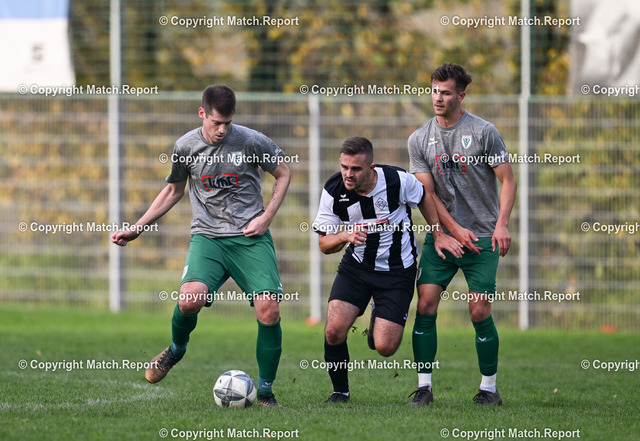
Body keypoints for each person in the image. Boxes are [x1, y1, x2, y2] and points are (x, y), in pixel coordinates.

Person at [110, 84, 291, 408]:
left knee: (269, 309)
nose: (222, 130)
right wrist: (137, 227)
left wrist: (266, 217)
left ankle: (265, 393)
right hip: (208, 236)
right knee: (189, 299)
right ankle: (175, 350)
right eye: (216, 122)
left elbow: (283, 173)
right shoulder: (186, 146)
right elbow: (173, 191)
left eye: (227, 123)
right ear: (202, 114)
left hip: (249, 237)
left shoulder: (251, 141)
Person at [313, 136, 457, 404]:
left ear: (371, 167)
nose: (348, 174)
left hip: (397, 272)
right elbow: (324, 244)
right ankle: (340, 392)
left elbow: (425, 197)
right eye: (344, 167)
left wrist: (438, 234)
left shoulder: (396, 180)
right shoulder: (333, 190)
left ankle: (378, 315)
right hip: (356, 268)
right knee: (333, 330)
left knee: (385, 347)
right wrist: (344, 235)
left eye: (355, 169)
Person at [407, 63, 517, 406]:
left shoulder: (484, 132)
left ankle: (489, 389)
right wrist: (447, 232)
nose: (437, 98)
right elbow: (426, 194)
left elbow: (508, 180)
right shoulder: (418, 139)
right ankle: (424, 388)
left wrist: (502, 224)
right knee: (425, 304)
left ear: (461, 96)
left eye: (446, 92)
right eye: (434, 91)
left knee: (479, 310)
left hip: (482, 236)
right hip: (440, 236)